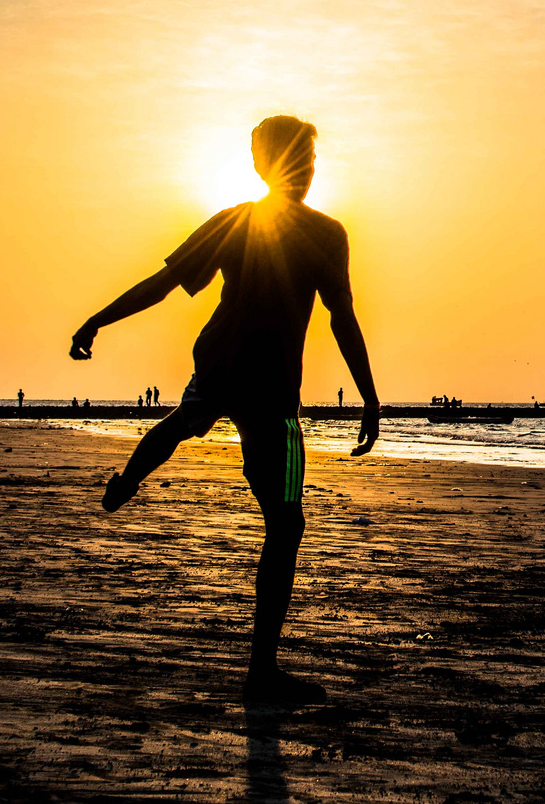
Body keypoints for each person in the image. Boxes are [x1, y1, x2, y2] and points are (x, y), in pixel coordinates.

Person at [69, 114, 380, 705]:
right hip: (268, 389)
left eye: (310, 162)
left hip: (220, 365)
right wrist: (98, 319)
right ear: (262, 166)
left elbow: (342, 316)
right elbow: (161, 284)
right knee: (286, 526)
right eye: (294, 161)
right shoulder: (289, 228)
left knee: (187, 420)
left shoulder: (302, 229)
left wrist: (368, 394)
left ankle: (127, 480)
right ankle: (262, 673)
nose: (304, 173)